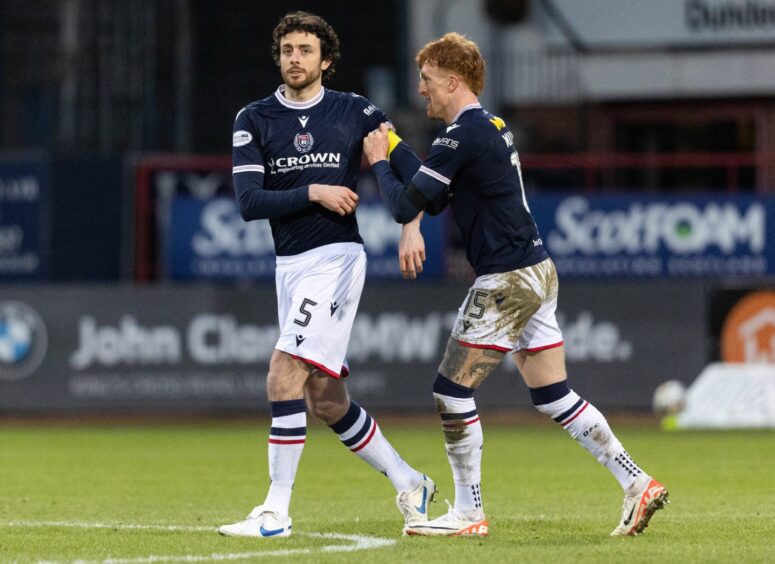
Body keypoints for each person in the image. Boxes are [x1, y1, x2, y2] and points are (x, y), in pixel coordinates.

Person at [363, 32, 669, 538]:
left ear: (453, 81)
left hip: (507, 278)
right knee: (553, 395)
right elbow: (432, 198)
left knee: (451, 392)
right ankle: (637, 483)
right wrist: (395, 146)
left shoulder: (461, 136)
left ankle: (468, 511)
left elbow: (405, 205)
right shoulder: (489, 127)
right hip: (537, 271)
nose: (422, 91)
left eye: (428, 81)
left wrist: (378, 158)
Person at [219, 11, 435, 539]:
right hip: (289, 266)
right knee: (325, 399)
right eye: (288, 49)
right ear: (279, 57)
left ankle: (276, 510)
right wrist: (314, 191)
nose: (296, 58)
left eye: (306, 50)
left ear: (326, 61)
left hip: (336, 259)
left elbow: (418, 173)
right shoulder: (254, 118)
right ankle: (411, 482)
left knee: (282, 371)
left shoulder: (356, 111)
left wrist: (411, 226)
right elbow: (249, 203)